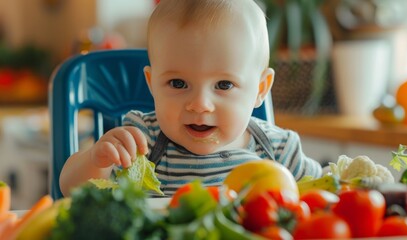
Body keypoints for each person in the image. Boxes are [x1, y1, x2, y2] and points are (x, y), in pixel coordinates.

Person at [59, 0, 322, 197]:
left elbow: (328, 194)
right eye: (178, 83)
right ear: (153, 84)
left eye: (223, 84)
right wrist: (96, 161)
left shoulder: (278, 150)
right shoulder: (143, 142)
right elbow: (71, 189)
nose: (199, 104)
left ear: (261, 89)